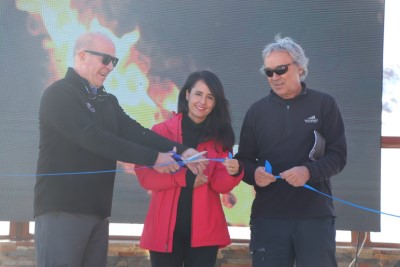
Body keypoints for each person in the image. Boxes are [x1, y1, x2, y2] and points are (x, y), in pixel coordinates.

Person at [34, 31, 206, 267]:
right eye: (105, 59)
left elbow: (136, 132)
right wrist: (154, 158)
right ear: (82, 55)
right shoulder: (59, 94)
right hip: (62, 209)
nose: (110, 67)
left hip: (98, 211)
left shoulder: (107, 100)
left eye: (114, 61)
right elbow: (94, 138)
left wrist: (182, 151)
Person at [235, 35, 347, 267]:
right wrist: (253, 173)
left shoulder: (324, 104)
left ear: (300, 67)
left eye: (281, 69)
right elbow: (243, 160)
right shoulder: (256, 112)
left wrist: (308, 172)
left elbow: (338, 156)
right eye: (269, 72)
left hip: (315, 216)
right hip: (268, 218)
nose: (275, 77)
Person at [135, 70, 244, 267]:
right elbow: (145, 177)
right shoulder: (160, 132)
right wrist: (182, 179)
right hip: (164, 233)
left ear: (215, 103)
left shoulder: (220, 138)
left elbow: (220, 186)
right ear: (187, 95)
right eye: (198, 94)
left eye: (210, 97)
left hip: (204, 235)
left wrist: (234, 171)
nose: (203, 101)